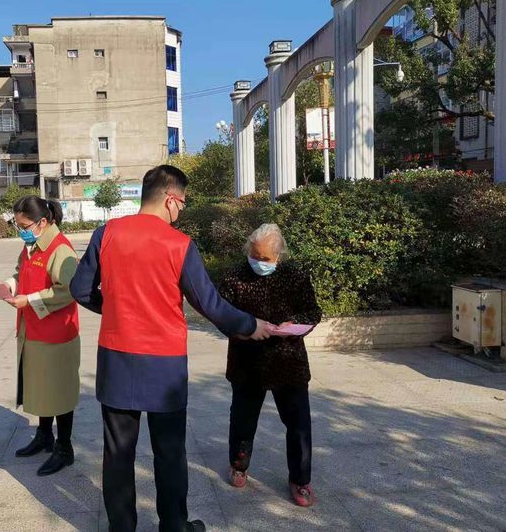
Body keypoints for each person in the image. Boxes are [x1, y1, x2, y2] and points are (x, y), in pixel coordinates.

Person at [70, 165, 271, 532]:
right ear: (170, 199)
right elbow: (208, 303)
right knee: (170, 451)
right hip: (164, 365)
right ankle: (175, 526)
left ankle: (121, 528)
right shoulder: (179, 244)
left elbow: (80, 289)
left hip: (116, 358)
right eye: (183, 203)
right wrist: (249, 325)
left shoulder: (105, 234)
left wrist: (114, 308)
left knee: (117, 453)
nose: (181, 211)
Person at [219, 223, 322, 507]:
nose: (258, 262)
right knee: (242, 420)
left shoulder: (295, 277)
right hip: (246, 361)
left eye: (265, 258)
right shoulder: (235, 277)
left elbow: (313, 311)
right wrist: (245, 329)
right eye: (254, 255)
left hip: (288, 360)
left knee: (299, 424)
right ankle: (239, 465)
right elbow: (221, 314)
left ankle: (300, 480)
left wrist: (294, 324)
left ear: (279, 256)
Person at [0, 195, 80, 476]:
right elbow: (21, 272)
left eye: (24, 226)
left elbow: (68, 290)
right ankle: (44, 436)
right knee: (41, 387)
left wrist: (30, 299)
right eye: (18, 225)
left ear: (43, 222)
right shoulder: (31, 245)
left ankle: (64, 447)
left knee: (60, 391)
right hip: (32, 329)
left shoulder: (61, 249)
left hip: (57, 334)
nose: (20, 230)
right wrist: (8, 284)